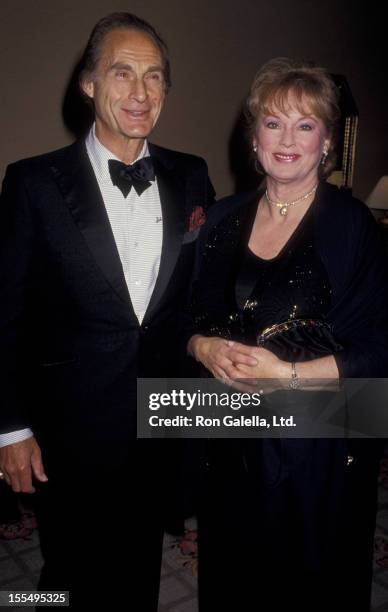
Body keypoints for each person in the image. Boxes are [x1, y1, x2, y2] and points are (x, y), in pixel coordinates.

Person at [0, 12, 214, 610]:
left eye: (154, 77)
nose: (140, 93)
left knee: (140, 563)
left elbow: (201, 294)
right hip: (71, 425)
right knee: (68, 571)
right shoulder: (33, 183)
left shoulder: (191, 175)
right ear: (88, 83)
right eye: (122, 73)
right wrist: (10, 427)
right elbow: (5, 313)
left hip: (161, 417)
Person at [187, 58, 388, 611]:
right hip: (229, 436)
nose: (287, 138)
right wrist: (201, 346)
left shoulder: (353, 227)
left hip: (317, 446)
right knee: (234, 571)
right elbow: (190, 317)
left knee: (305, 582)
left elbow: (379, 349)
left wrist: (288, 375)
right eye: (273, 122)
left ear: (327, 142)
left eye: (305, 124)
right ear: (253, 135)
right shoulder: (222, 219)